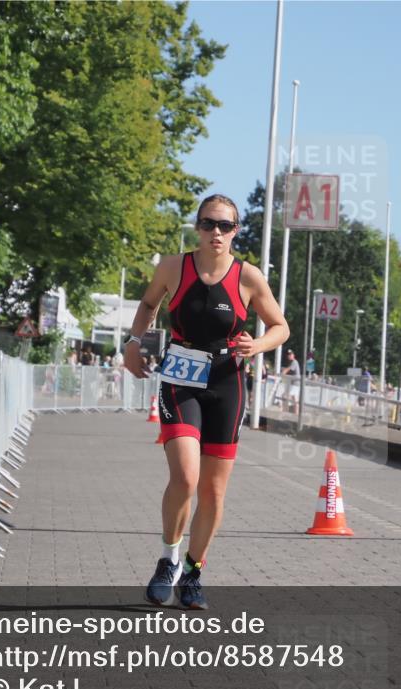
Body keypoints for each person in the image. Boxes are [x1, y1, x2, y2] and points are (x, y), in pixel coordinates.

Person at [125, 194, 289, 609]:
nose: (216, 233)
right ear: (197, 228)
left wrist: (259, 345)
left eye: (226, 226)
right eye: (209, 224)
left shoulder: (248, 277)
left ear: (236, 232)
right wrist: (132, 343)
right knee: (185, 477)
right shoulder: (173, 267)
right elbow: (149, 304)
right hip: (181, 376)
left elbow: (280, 326)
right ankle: (169, 559)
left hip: (227, 381)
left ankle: (194, 573)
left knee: (214, 493)